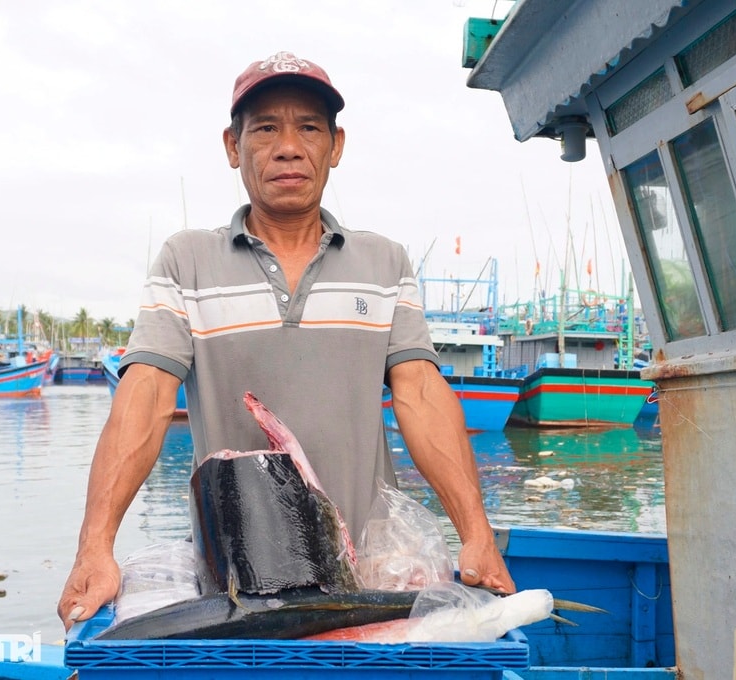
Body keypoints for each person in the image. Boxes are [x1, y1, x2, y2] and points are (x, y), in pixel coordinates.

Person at [57, 50, 515, 630]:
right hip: (239, 580)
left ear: (336, 145)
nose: (289, 146)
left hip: (370, 575)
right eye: (266, 127)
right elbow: (146, 396)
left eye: (309, 128)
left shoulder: (385, 262)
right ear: (232, 146)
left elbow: (421, 395)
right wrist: (95, 546)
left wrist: (476, 535)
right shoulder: (187, 260)